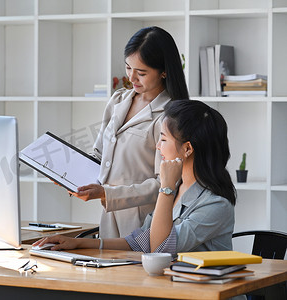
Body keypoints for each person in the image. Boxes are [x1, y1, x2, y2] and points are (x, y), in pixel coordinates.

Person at [34, 99, 236, 254]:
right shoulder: (177, 189)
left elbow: (160, 249)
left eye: (163, 139)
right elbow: (139, 242)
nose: (158, 146)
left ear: (187, 148)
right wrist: (78, 243)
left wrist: (166, 187)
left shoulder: (215, 204)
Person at [71, 26, 189, 238]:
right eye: (128, 68)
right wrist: (70, 174)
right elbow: (99, 155)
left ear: (164, 71)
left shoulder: (170, 116)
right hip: (109, 217)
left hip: (144, 222)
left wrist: (108, 193)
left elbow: (164, 183)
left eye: (141, 73)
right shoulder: (118, 100)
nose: (132, 78)